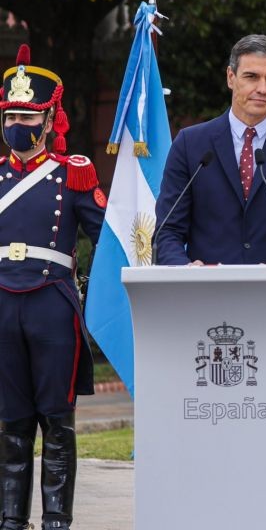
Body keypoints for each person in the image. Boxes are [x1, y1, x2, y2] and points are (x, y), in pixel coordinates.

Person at [0, 44, 107, 530]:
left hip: (51, 306)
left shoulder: (73, 174)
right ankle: (9, 518)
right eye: (10, 113)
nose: (16, 123)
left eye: (26, 114)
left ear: (48, 120)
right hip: (2, 306)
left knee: (56, 423)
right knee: (11, 423)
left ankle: (57, 520)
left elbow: (106, 239)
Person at [155, 34, 266, 266]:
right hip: (205, 294)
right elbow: (168, 229)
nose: (262, 88)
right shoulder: (191, 143)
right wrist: (184, 270)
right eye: (251, 77)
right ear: (231, 77)